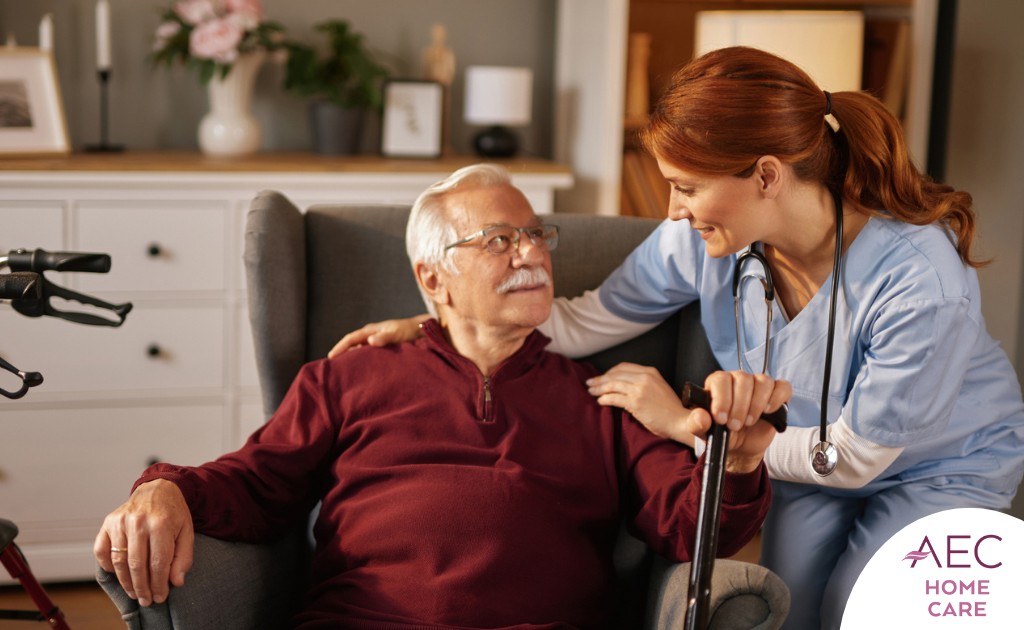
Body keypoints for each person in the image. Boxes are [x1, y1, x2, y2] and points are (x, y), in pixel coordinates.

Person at [328, 47, 1024, 629]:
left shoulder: (918, 279)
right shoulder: (699, 241)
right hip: (800, 455)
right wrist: (444, 326)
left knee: (865, 607)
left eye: (686, 186)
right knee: (788, 607)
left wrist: (686, 426)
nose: (672, 209)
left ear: (766, 176)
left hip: (937, 460)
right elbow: (581, 320)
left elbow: (856, 459)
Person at [95, 163, 779, 629]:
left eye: (537, 235)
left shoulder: (604, 398)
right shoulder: (347, 377)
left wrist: (741, 459)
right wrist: (164, 488)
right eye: (498, 241)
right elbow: (256, 483)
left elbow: (691, 525)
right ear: (435, 278)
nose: (531, 255)